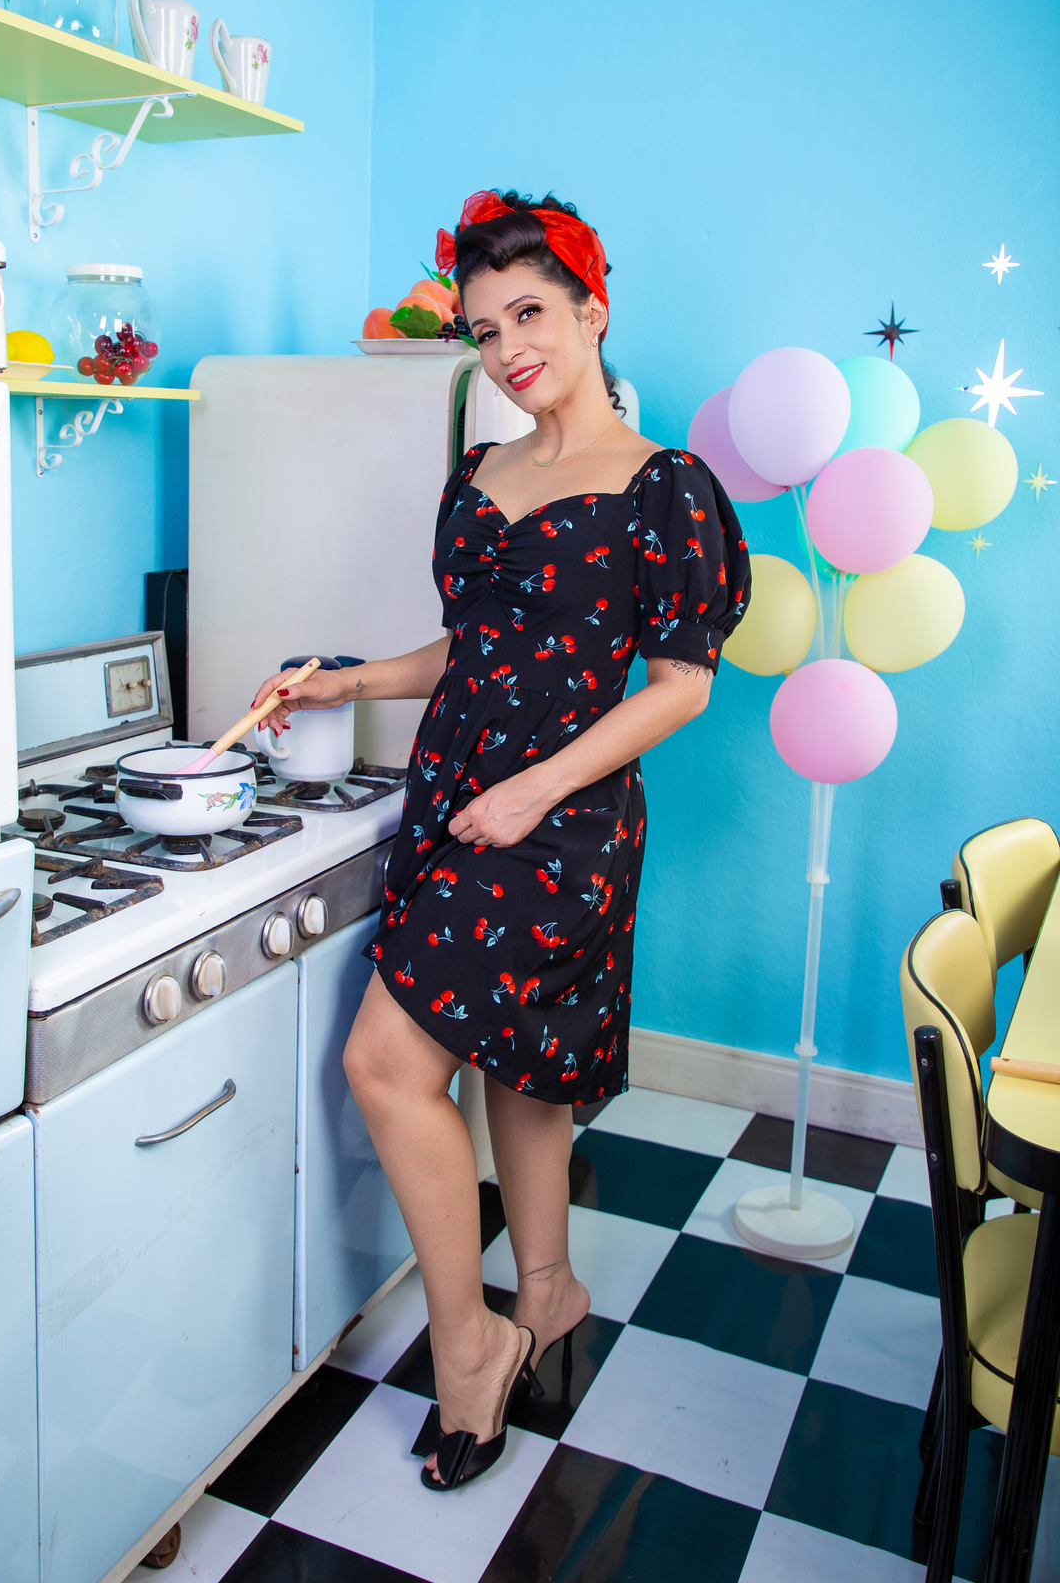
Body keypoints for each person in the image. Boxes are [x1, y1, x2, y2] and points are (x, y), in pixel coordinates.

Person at [251, 189, 751, 1491]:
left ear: (593, 311)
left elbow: (681, 686)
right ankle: (549, 1287)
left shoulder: (667, 488)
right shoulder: (478, 475)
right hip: (453, 793)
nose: (509, 347)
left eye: (530, 313)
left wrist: (534, 792)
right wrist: (348, 680)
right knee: (518, 1060)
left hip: (562, 820)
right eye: (484, 328)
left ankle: (469, 1344)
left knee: (387, 1063)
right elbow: (472, 651)